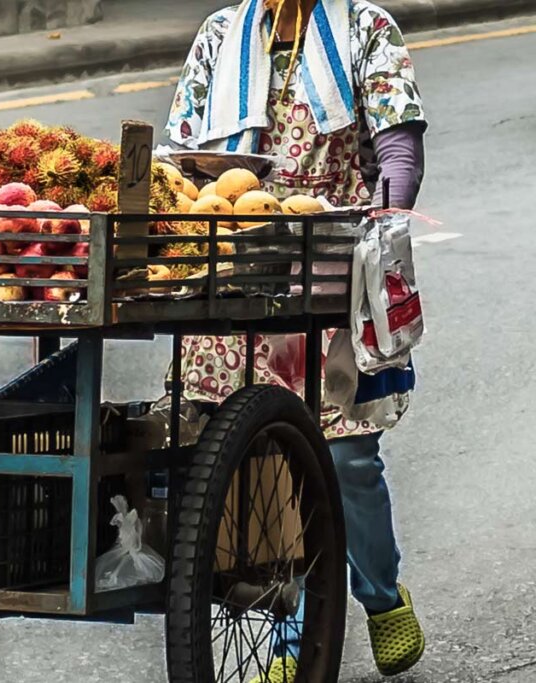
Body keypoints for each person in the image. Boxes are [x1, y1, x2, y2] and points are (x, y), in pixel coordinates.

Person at [166, 0, 426, 681]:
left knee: (347, 461)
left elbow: (398, 141)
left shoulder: (367, 29)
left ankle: (378, 592)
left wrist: (385, 223)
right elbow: (179, 147)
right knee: (263, 469)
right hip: (232, 273)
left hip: (330, 268)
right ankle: (291, 635)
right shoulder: (222, 35)